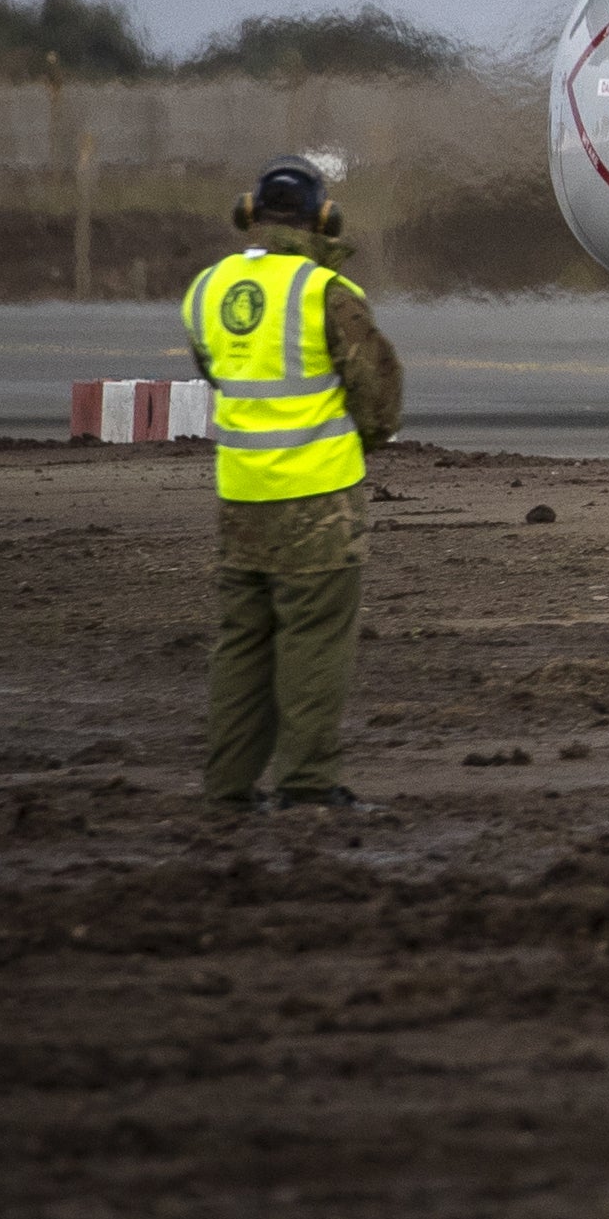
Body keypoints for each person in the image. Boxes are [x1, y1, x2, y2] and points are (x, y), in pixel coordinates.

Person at [182, 153, 403, 813]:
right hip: (318, 500)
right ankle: (306, 783)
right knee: (312, 644)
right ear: (323, 217)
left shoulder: (208, 289)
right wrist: (356, 442)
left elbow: (218, 372)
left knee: (242, 644)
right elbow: (378, 398)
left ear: (251, 215)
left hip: (241, 495)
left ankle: (227, 788)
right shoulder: (326, 292)